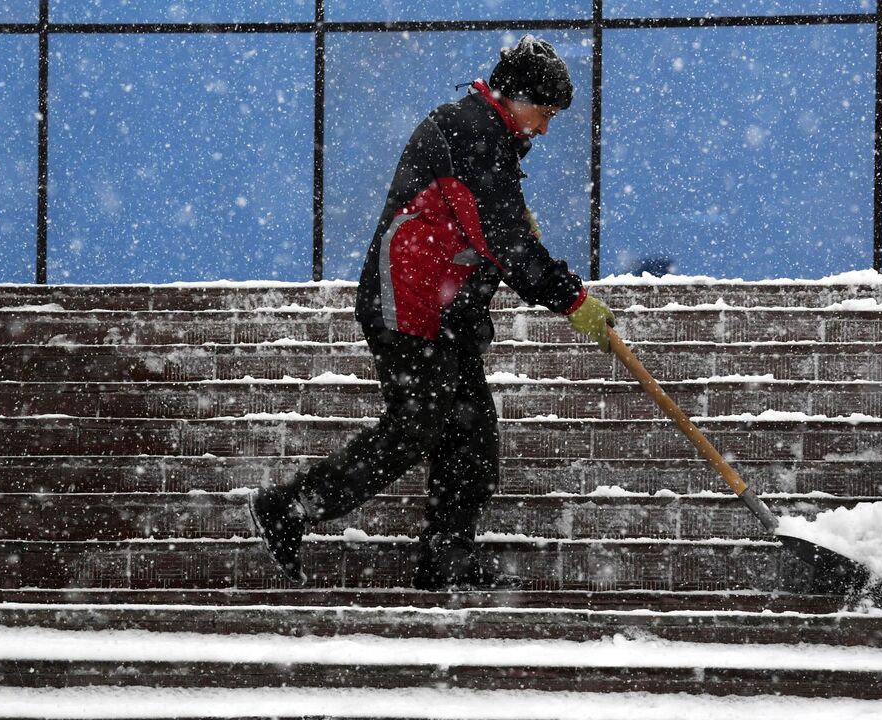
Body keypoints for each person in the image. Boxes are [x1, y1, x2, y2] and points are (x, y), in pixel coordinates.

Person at [249, 35, 616, 591]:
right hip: (411, 305)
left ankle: (445, 559)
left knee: (471, 438)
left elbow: (489, 231)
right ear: (516, 97)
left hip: (449, 316)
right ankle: (288, 506)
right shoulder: (473, 133)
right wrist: (573, 298)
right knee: (417, 423)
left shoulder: (485, 134)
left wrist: (511, 229)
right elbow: (507, 244)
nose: (544, 129)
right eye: (543, 114)